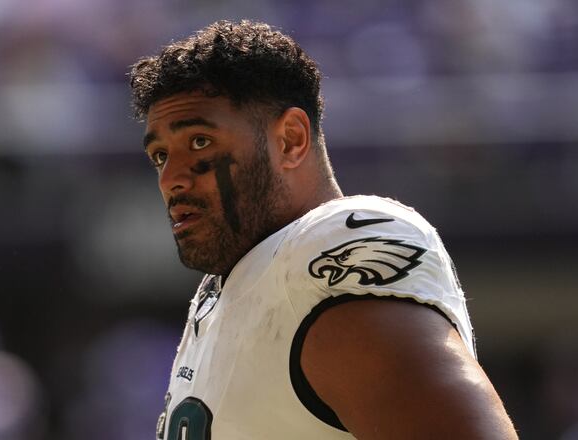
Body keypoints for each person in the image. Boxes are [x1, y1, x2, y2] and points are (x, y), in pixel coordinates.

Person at [129, 20, 517, 439]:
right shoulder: (230, 285)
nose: (171, 179)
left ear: (291, 139)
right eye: (160, 156)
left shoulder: (328, 254)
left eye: (200, 142)